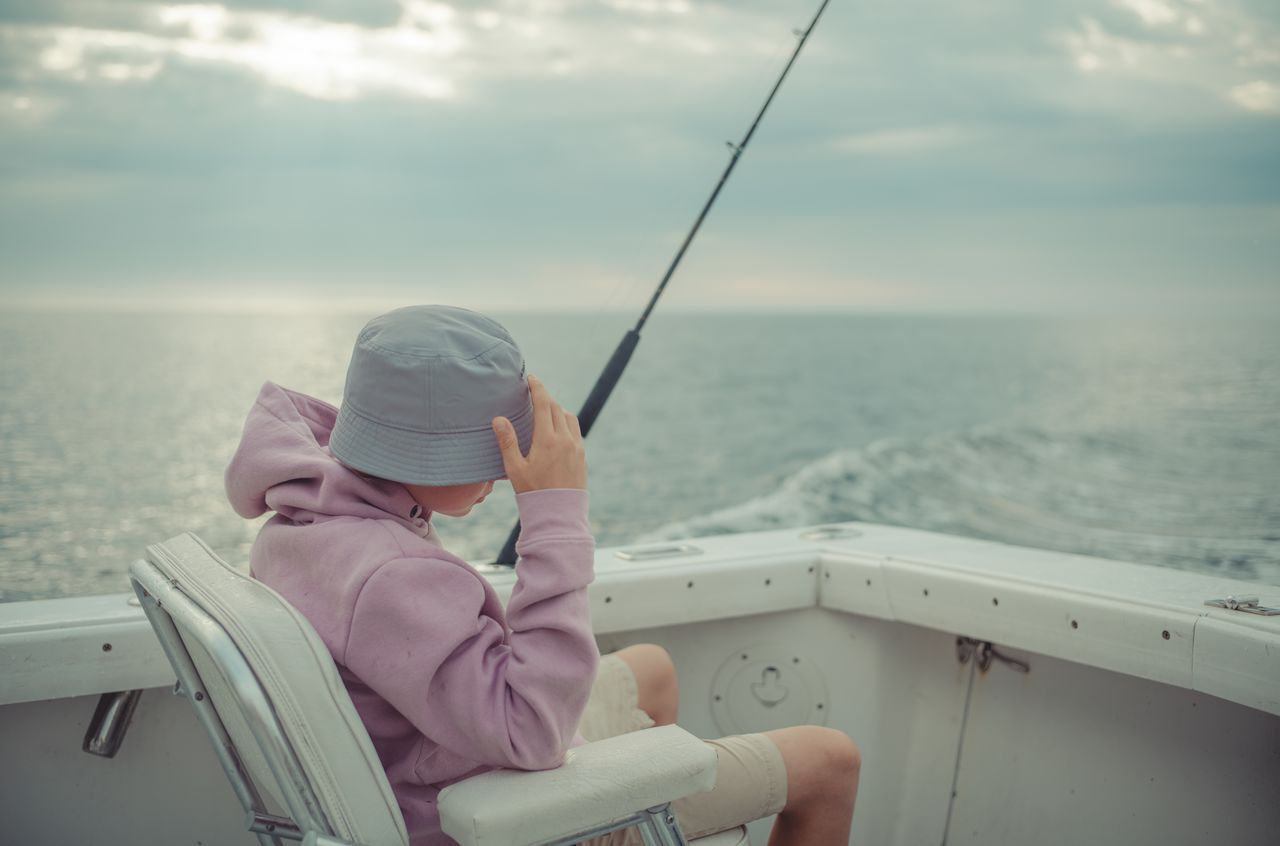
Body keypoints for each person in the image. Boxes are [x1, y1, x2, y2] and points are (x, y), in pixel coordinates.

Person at [225, 305, 860, 846]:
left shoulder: (307, 518)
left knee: (654, 668)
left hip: (435, 760)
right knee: (830, 760)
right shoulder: (391, 572)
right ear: (420, 454)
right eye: (487, 454)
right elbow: (532, 732)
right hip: (493, 813)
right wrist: (553, 512)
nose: (503, 474)